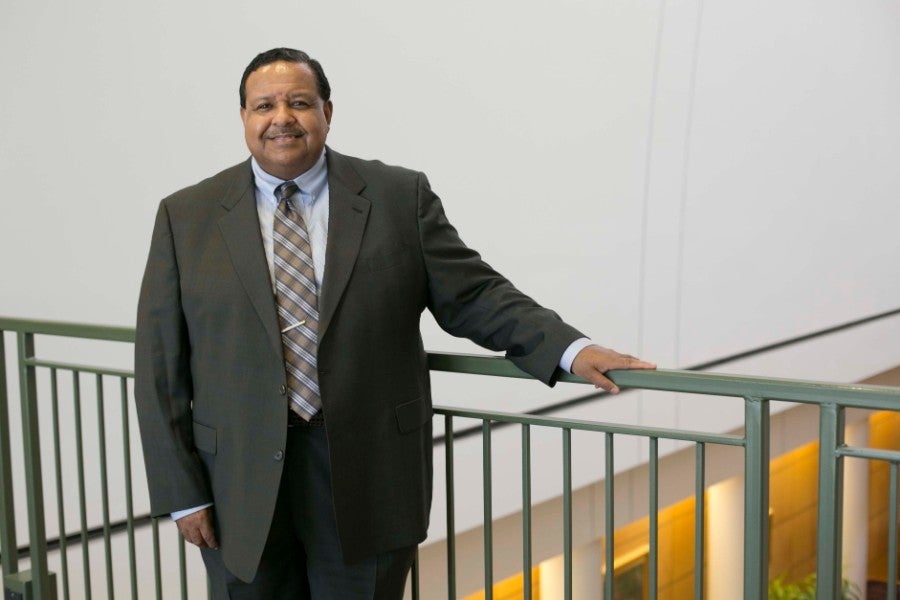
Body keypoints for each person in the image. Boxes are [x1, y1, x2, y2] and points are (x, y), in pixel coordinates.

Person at [134, 47, 655, 599]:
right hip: (237, 482)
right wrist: (183, 493)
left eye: (299, 102)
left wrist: (571, 349)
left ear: (327, 113)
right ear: (244, 118)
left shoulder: (397, 197)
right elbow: (160, 366)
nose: (281, 117)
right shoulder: (186, 216)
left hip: (368, 473)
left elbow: (475, 294)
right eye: (264, 105)